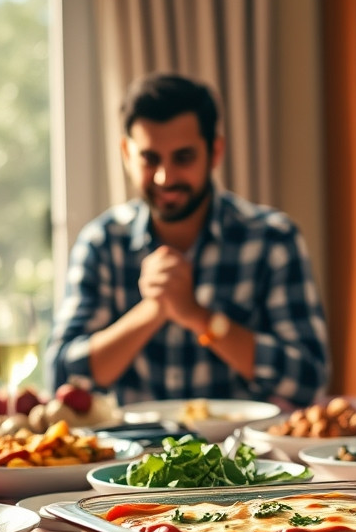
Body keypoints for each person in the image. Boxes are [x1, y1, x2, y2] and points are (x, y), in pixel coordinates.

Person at [48, 73, 329, 405]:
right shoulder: (101, 242)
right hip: (131, 454)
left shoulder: (273, 239)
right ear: (126, 154)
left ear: (215, 152)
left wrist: (198, 317)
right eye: (150, 159)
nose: (166, 177)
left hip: (241, 453)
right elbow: (62, 380)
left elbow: (310, 381)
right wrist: (154, 309)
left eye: (183, 158)